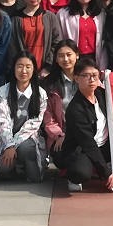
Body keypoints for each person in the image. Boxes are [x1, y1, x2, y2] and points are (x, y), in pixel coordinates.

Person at [0, 52, 49, 182]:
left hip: (28, 138)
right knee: (3, 167)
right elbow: (2, 120)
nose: (23, 71)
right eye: (19, 66)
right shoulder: (4, 91)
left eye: (28, 67)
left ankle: (25, 165)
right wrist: (9, 145)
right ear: (13, 68)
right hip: (4, 138)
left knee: (27, 152)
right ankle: (15, 167)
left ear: (34, 70)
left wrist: (14, 145)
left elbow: (34, 123)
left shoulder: (40, 93)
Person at [63, 57, 113, 192]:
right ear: (76, 78)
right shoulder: (75, 109)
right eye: (86, 76)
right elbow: (88, 143)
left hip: (105, 145)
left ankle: (104, 165)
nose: (92, 80)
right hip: (83, 149)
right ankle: (74, 175)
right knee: (80, 172)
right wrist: (106, 173)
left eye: (94, 75)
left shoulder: (102, 94)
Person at [39, 40, 80, 169]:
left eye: (69, 54)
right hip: (61, 133)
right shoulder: (48, 84)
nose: (65, 59)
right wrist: (60, 135)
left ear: (77, 55)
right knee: (62, 157)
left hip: (84, 132)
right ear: (56, 59)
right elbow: (48, 117)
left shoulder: (88, 77)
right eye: (61, 56)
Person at [10, 0, 62, 76]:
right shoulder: (15, 18)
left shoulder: (49, 17)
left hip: (45, 71)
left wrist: (48, 66)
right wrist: (21, 67)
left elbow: (57, 42)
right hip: (23, 71)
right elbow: (12, 46)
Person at [57, 0, 108, 70]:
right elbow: (60, 40)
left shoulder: (100, 13)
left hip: (95, 59)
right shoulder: (63, 14)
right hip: (73, 59)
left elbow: (104, 42)